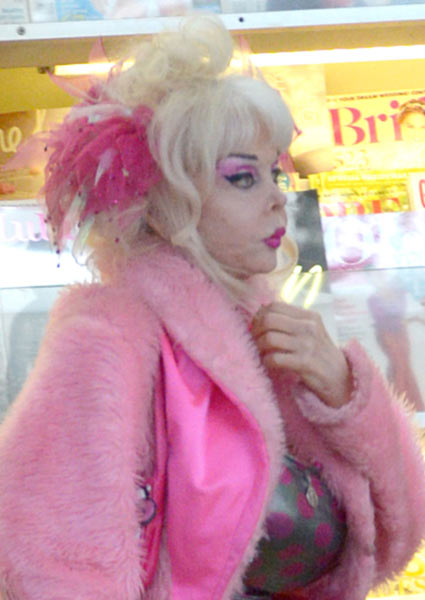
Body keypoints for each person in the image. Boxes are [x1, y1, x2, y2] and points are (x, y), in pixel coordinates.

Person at [0, 15, 424, 600]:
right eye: (243, 178)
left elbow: (394, 538)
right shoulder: (110, 334)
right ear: (166, 202)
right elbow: (52, 565)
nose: (278, 198)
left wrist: (342, 389)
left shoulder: (270, 335)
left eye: (274, 172)